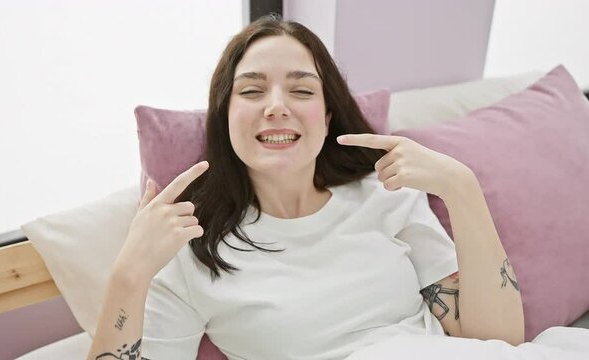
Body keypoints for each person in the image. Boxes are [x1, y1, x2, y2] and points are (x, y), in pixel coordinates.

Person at [86, 14, 525, 360]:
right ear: (224, 116)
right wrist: (129, 275)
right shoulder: (190, 249)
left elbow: (499, 342)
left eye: (301, 90)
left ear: (328, 115)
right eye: (253, 91)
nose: (277, 107)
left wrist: (462, 189)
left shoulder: (386, 195)